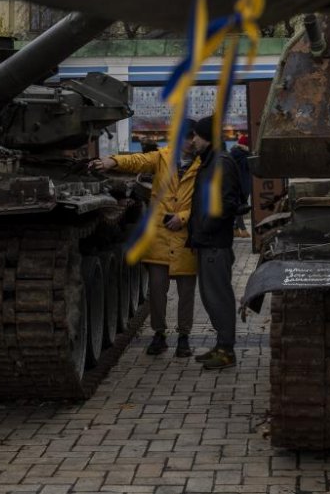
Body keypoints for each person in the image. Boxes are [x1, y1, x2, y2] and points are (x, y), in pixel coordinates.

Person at [88, 123, 200, 357]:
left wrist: (183, 217)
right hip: (160, 237)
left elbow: (205, 202)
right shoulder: (162, 157)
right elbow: (138, 161)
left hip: (186, 238)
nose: (192, 142)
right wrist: (112, 161)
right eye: (189, 137)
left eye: (195, 138)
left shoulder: (203, 166)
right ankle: (159, 335)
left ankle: (184, 337)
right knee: (157, 291)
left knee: (186, 293)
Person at [186, 116, 243, 370]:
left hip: (214, 243)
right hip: (206, 241)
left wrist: (206, 229)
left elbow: (228, 203)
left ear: (207, 137)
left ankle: (227, 351)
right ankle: (221, 346)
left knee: (219, 297)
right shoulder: (210, 162)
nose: (193, 140)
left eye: (197, 135)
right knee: (210, 297)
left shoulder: (220, 163)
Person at [229, 134, 253, 238]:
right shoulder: (245, 156)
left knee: (237, 206)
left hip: (235, 184)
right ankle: (243, 230)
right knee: (241, 207)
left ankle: (235, 230)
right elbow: (248, 169)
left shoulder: (234, 154)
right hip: (243, 185)